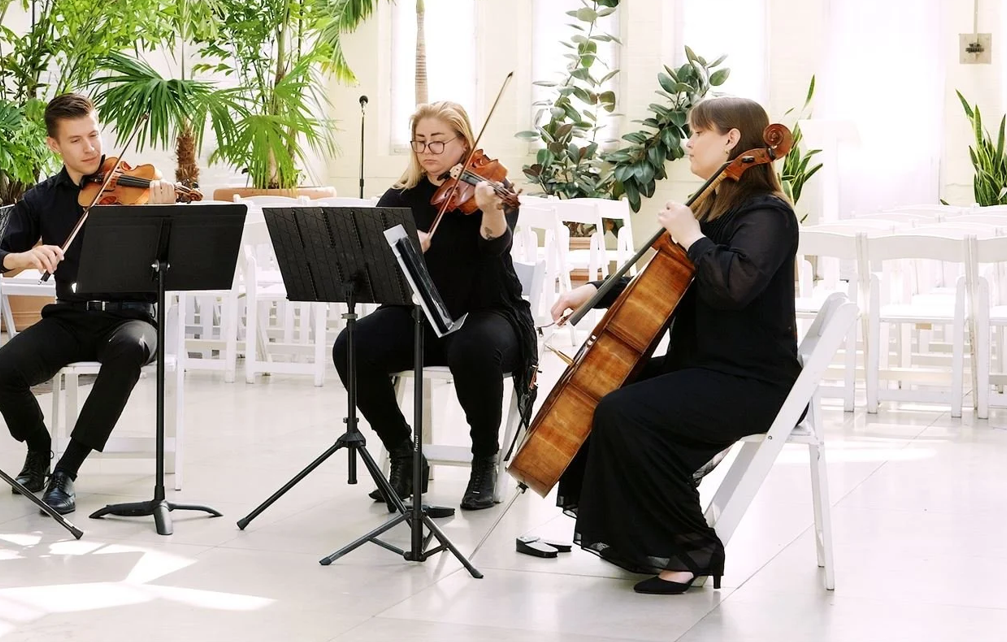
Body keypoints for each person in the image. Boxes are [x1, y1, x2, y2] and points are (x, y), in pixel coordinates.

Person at [546, 96, 799, 594]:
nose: (688, 141)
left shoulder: (768, 215)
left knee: (628, 413)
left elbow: (733, 286)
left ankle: (691, 547)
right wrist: (592, 293)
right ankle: (641, 538)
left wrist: (693, 237)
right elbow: (661, 279)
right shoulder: (714, 203)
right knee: (606, 394)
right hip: (705, 367)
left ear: (731, 139)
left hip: (754, 380)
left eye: (698, 132)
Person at [333, 101, 537, 512]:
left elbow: (494, 245)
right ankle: (404, 453)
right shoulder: (400, 196)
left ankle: (484, 461)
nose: (428, 151)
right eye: (420, 142)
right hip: (419, 313)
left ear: (465, 143)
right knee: (351, 345)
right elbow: (375, 261)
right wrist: (405, 250)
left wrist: (490, 208)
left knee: (472, 348)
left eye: (439, 142)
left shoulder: (490, 190)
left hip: (489, 312)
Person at [0, 93, 181, 515]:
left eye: (93, 135)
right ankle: (39, 449)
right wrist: (22, 257)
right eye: (75, 140)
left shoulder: (135, 188)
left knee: (128, 349)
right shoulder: (40, 199)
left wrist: (163, 216)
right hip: (71, 317)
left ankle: (67, 470)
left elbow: (173, 262)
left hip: (133, 318)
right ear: (54, 146)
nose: (90, 148)